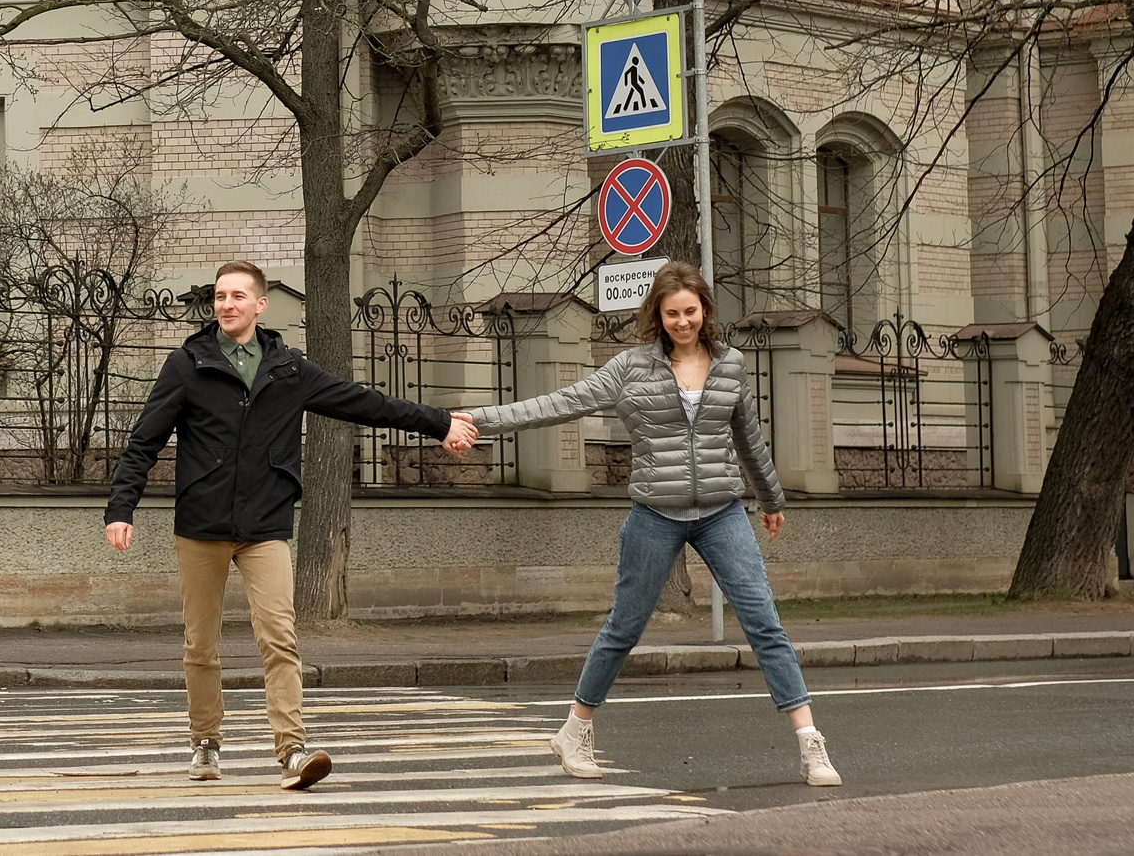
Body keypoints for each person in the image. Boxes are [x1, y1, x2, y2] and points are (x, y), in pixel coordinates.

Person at [459, 259, 842, 788]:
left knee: (764, 622)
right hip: (655, 514)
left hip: (722, 511)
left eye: (690, 311)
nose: (682, 322)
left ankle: (810, 744)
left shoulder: (730, 365)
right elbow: (560, 403)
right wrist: (479, 419)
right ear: (657, 316)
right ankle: (574, 731)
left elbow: (748, 438)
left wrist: (770, 498)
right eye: (671, 314)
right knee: (624, 627)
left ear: (704, 310)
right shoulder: (630, 368)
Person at [106, 260, 479, 790]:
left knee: (280, 637)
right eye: (219, 296)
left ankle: (292, 751)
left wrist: (438, 423)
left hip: (265, 525)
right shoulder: (187, 364)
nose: (226, 304)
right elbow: (144, 441)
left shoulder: (289, 370)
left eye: (238, 296)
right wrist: (122, 508)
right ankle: (205, 743)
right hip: (201, 526)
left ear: (261, 305)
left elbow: (363, 402)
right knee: (201, 644)